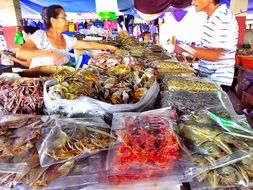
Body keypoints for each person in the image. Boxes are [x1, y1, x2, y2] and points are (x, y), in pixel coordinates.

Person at [16, 5, 117, 68]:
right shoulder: (41, 36)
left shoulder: (66, 39)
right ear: (53, 20)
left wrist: (109, 47)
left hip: (59, 83)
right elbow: (20, 53)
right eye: (64, 18)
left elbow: (88, 44)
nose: (67, 21)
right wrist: (49, 53)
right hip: (40, 83)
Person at [175, 0, 238, 92]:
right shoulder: (212, 17)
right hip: (208, 78)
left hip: (218, 81)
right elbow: (210, 49)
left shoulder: (223, 17)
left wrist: (184, 47)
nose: (193, 2)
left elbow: (216, 55)